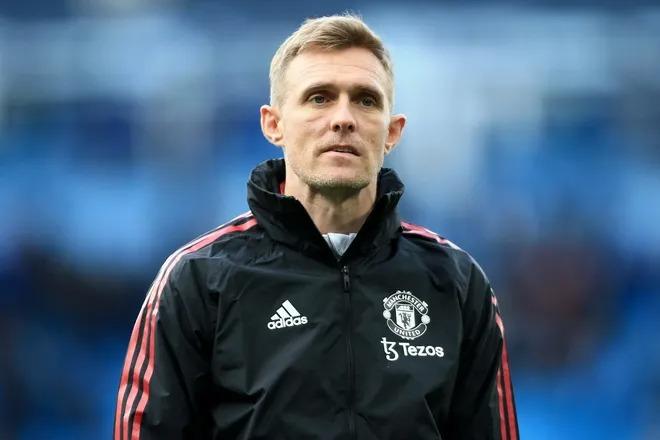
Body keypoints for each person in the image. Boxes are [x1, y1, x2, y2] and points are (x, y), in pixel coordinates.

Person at [114, 14, 519, 440]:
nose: (343, 118)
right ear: (274, 124)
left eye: (365, 100)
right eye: (319, 98)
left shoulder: (456, 282)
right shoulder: (199, 278)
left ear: (392, 132)